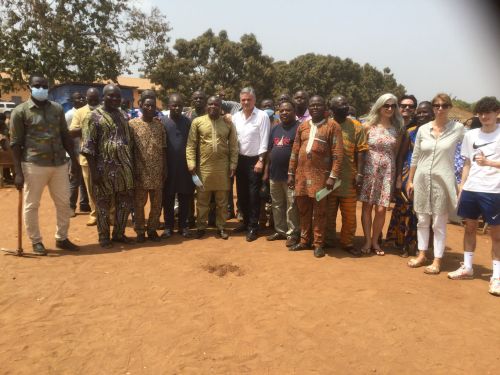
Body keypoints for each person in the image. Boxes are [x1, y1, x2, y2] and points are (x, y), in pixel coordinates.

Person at [9, 73, 80, 255]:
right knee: (32, 205)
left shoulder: (56, 109)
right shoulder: (20, 111)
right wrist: (17, 172)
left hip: (59, 163)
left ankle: (62, 238)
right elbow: (15, 144)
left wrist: (74, 159)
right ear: (30, 87)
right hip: (33, 165)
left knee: (64, 203)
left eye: (44, 86)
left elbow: (65, 136)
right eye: (37, 85)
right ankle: (36, 241)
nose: (41, 89)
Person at [407, 93, 465, 274]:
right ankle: (422, 254)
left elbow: (470, 150)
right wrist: (410, 180)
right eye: (437, 105)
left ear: (450, 107)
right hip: (422, 179)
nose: (440, 109)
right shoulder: (423, 129)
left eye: (444, 105)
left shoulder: (458, 129)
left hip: (443, 181)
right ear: (433, 107)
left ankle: (438, 259)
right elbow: (415, 157)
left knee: (439, 222)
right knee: (422, 220)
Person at [448, 96, 500, 296]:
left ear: (497, 113)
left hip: (494, 190)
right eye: (481, 113)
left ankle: (496, 277)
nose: (485, 116)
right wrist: (462, 187)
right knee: (469, 228)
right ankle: (467, 267)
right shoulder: (471, 135)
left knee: (495, 235)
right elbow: (467, 163)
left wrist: (491, 164)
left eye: (489, 112)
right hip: (471, 188)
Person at [288, 95, 343, 258]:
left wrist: (333, 176)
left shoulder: (333, 126)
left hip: (322, 178)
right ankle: (305, 241)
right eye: (312, 105)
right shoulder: (303, 126)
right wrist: (291, 173)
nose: (315, 108)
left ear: (325, 107)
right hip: (301, 177)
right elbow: (295, 150)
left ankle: (318, 243)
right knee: (303, 210)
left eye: (318, 105)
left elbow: (338, 154)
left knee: (320, 211)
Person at [81, 84, 134, 248]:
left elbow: (129, 142)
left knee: (124, 203)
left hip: (124, 168)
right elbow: (88, 148)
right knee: (103, 204)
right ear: (103, 97)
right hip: (102, 169)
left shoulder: (124, 116)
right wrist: (93, 171)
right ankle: (103, 236)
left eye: (117, 96)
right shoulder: (93, 117)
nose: (115, 99)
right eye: (111, 96)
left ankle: (119, 233)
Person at [186, 96, 239, 239]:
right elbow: (191, 145)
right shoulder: (197, 122)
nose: (213, 106)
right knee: (202, 201)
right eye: (210, 104)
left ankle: (221, 227)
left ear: (221, 107)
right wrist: (191, 163)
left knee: (222, 202)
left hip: (223, 168)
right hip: (204, 169)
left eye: (216, 104)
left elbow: (234, 146)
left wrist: (233, 164)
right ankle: (201, 227)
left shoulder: (227, 123)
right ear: (206, 106)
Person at [386, 101, 434, 257]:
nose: (420, 115)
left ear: (432, 113)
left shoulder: (437, 132)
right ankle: (404, 244)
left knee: (423, 212)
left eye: (424, 112)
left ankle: (420, 245)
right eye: (419, 112)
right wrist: (399, 178)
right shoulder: (411, 132)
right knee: (406, 208)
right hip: (409, 175)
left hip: (428, 175)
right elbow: (400, 157)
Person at [359, 93, 404, 256]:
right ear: (379, 106)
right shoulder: (367, 126)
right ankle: (367, 241)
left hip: (387, 171)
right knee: (367, 206)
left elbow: (397, 153)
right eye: (387, 105)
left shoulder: (398, 128)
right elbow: (361, 151)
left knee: (381, 209)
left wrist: (397, 176)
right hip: (369, 170)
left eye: (393, 106)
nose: (390, 108)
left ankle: (376, 241)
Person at [325, 95, 368, 256]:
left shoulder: (356, 126)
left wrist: (360, 174)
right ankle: (328, 240)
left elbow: (362, 151)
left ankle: (347, 242)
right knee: (328, 213)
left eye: (346, 104)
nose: (345, 107)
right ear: (332, 109)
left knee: (349, 214)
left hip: (349, 177)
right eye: (341, 104)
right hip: (329, 179)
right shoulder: (327, 125)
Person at [233, 87, 271, 242]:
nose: (246, 102)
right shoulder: (236, 117)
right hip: (239, 160)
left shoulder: (262, 116)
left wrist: (261, 161)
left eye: (249, 99)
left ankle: (253, 227)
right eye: (243, 100)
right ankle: (245, 222)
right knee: (241, 194)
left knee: (253, 196)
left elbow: (264, 140)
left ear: (254, 100)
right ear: (240, 101)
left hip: (255, 161)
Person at [129, 92, 167, 243]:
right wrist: (132, 170)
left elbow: (164, 148)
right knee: (139, 204)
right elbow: (129, 150)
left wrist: (165, 168)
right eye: (147, 105)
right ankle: (140, 231)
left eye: (153, 105)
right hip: (140, 172)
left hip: (157, 171)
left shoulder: (159, 126)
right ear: (140, 106)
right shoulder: (132, 125)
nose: (150, 108)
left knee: (157, 204)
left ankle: (152, 230)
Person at [263, 100, 300, 247]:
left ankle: (293, 233)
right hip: (274, 174)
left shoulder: (299, 128)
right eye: (281, 110)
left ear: (294, 112)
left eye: (288, 110)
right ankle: (280, 230)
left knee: (292, 205)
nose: (284, 113)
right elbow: (269, 151)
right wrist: (266, 172)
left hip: (291, 175)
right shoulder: (275, 129)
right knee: (277, 205)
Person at [162, 93, 194, 238]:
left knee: (185, 198)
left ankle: (183, 226)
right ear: (169, 106)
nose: (177, 108)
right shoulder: (162, 123)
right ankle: (168, 226)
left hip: (184, 168)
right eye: (174, 105)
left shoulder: (188, 122)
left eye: (179, 105)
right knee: (167, 198)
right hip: (167, 167)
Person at [69, 87, 101, 226]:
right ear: (86, 98)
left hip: (105, 157)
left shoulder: (104, 110)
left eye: (96, 99)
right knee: (91, 188)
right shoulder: (80, 112)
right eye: (90, 99)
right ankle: (94, 214)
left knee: (108, 187)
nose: (93, 102)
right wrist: (88, 128)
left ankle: (110, 214)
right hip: (86, 158)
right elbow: (72, 131)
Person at [65, 91, 90, 217]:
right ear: (72, 100)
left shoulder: (87, 112)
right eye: (78, 98)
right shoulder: (69, 115)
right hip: (73, 153)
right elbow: (66, 135)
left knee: (85, 182)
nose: (81, 99)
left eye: (82, 97)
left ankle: (85, 204)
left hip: (85, 152)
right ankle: (71, 207)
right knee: (74, 181)